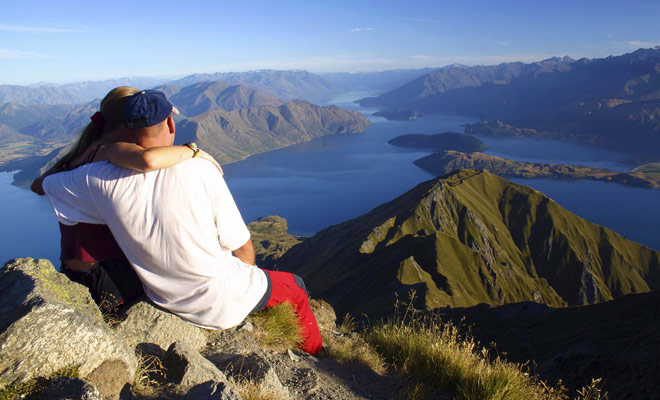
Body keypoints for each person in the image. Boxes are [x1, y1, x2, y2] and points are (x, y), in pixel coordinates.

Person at [42, 89, 322, 354]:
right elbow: (242, 248)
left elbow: (46, 184)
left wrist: (98, 153)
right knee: (295, 286)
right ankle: (318, 354)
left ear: (127, 129)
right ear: (170, 122)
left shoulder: (96, 178)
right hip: (220, 302)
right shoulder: (201, 168)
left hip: (164, 298)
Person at [31, 86, 224, 313]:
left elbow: (39, 185)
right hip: (109, 274)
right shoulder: (111, 150)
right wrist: (192, 151)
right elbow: (148, 159)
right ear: (131, 123)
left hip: (77, 268)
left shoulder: (86, 152)